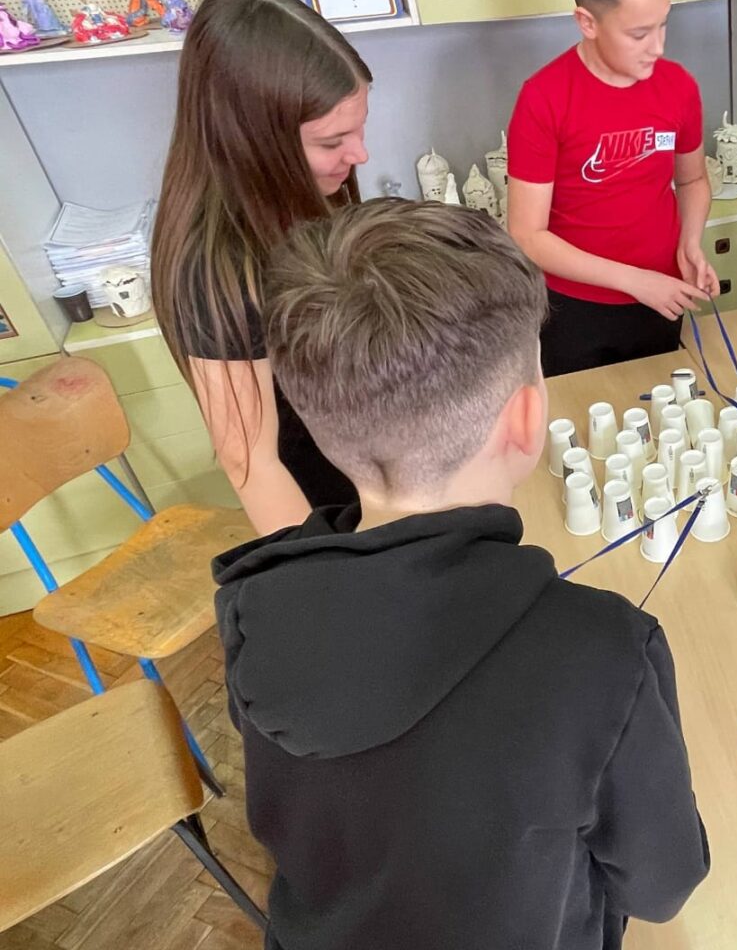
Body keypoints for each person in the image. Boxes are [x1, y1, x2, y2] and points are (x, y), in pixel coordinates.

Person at [215, 199, 709, 950]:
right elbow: (662, 885)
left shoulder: (254, 602)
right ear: (526, 419)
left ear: (315, 422)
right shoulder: (606, 650)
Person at [150, 0, 370, 533]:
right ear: (253, 140)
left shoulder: (305, 197)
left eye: (360, 127)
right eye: (332, 141)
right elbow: (250, 463)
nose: (360, 153)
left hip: (366, 462)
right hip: (323, 509)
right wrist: (329, 568)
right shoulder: (215, 270)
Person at [506, 0, 719, 376]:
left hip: (662, 296)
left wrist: (689, 243)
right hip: (573, 308)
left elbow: (693, 179)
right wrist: (634, 281)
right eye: (639, 34)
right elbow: (527, 235)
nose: (658, 47)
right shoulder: (544, 98)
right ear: (587, 22)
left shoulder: (678, 86)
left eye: (663, 25)